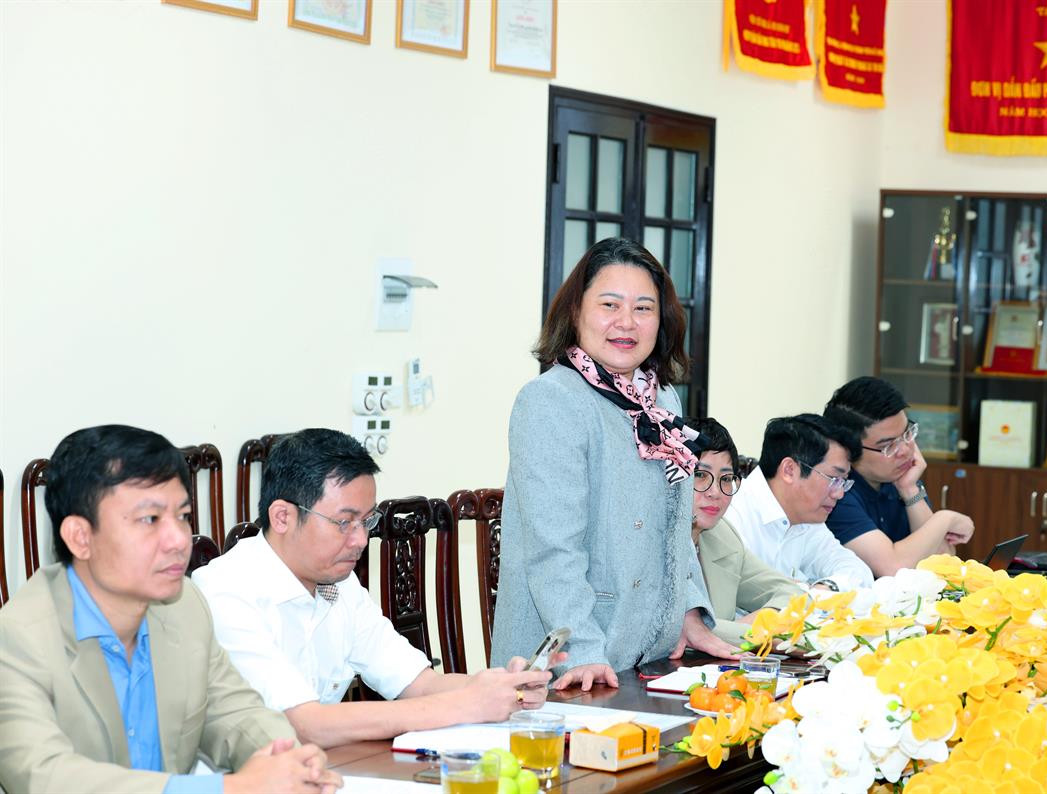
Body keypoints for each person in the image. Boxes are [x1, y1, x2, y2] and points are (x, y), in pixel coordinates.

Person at [0, 425, 339, 794]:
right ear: (80, 537)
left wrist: (289, 759)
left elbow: (236, 712)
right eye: (150, 519)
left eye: (183, 516)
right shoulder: (16, 639)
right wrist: (231, 789)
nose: (179, 540)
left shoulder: (184, 606)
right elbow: (44, 775)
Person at [193, 429, 557, 749]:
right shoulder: (225, 591)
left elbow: (420, 684)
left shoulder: (340, 583)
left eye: (366, 522)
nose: (360, 540)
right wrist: (464, 705)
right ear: (283, 517)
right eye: (344, 522)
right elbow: (304, 725)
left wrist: (503, 687)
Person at [489, 237, 738, 693]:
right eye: (609, 305)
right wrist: (583, 649)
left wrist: (688, 613)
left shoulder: (661, 400)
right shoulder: (551, 401)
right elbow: (553, 549)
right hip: (571, 666)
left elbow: (675, 529)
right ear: (575, 312)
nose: (627, 322)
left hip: (648, 655)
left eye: (644, 308)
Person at [823, 376, 975, 577]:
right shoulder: (836, 493)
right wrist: (945, 518)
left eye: (907, 434)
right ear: (849, 449)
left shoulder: (899, 478)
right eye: (889, 446)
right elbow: (892, 567)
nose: (905, 450)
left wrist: (910, 490)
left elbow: (942, 561)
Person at [687, 417, 808, 645]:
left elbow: (795, 597)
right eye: (700, 475)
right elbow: (679, 628)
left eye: (726, 479)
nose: (715, 492)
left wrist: (745, 629)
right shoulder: (648, 540)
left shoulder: (721, 535)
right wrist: (757, 634)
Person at [724, 414, 874, 591]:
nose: (839, 494)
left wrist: (825, 588)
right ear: (789, 470)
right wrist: (805, 591)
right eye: (833, 479)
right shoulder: (731, 511)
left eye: (843, 481)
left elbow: (858, 571)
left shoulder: (807, 518)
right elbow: (742, 590)